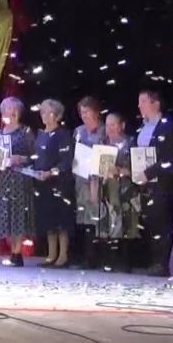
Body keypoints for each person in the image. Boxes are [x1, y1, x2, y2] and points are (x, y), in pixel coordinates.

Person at [134, 89, 173, 277]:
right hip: (144, 183)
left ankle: (163, 262)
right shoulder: (142, 128)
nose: (139, 105)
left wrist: (148, 173)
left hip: (161, 182)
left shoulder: (167, 127)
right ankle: (153, 261)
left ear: (156, 103)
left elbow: (169, 159)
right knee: (149, 221)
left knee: (161, 221)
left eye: (143, 101)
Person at [0, 97, 36, 267]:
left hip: (19, 179)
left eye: (9, 109)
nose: (5, 112)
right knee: (6, 214)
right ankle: (12, 251)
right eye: (4, 109)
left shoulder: (25, 132)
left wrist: (20, 158)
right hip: (3, 179)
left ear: (16, 112)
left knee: (18, 214)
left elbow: (34, 156)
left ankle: (17, 252)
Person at [32, 99, 76, 268]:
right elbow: (36, 157)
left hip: (60, 183)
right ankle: (51, 254)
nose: (43, 115)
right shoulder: (41, 134)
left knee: (61, 220)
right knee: (48, 220)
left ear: (57, 115)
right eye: (42, 111)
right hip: (42, 183)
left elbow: (66, 161)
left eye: (47, 112)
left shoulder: (63, 135)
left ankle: (63, 255)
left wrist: (51, 172)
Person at [96, 112, 139, 273]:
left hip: (126, 189)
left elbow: (137, 168)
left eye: (113, 124)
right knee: (108, 224)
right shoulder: (102, 143)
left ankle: (125, 261)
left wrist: (120, 170)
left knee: (127, 224)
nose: (110, 128)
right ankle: (108, 260)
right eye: (107, 125)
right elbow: (95, 169)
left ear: (122, 125)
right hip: (107, 189)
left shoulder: (131, 143)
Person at [72, 96, 105, 268]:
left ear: (96, 112)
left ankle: (99, 257)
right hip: (81, 179)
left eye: (87, 111)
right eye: (81, 112)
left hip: (98, 180)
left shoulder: (104, 130)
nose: (84, 115)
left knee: (97, 217)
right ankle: (86, 256)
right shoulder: (78, 131)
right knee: (84, 218)